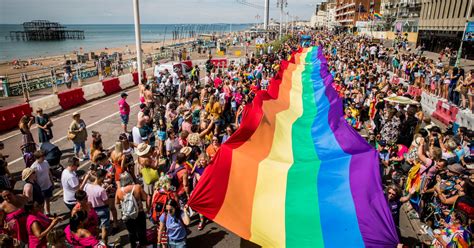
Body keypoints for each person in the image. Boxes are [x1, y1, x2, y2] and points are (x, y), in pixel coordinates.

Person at [115, 172, 147, 248]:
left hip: (127, 214)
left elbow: (117, 202)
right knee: (142, 232)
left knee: (131, 232)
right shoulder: (137, 187)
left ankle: (133, 245)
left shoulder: (119, 191)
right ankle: (143, 246)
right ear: (130, 178)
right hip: (139, 213)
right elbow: (145, 198)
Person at [83, 169, 110, 244]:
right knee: (104, 228)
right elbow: (106, 202)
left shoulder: (87, 186)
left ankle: (96, 243)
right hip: (102, 210)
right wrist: (107, 192)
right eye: (104, 177)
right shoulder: (101, 190)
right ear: (101, 177)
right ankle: (105, 244)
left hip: (91, 210)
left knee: (95, 228)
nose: (105, 179)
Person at [136, 143, 160, 210]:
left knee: (148, 195)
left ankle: (148, 209)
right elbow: (155, 167)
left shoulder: (140, 157)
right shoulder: (146, 160)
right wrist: (157, 157)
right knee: (149, 196)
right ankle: (149, 209)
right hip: (150, 178)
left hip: (145, 176)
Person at [30, 150, 54, 215]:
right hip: (41, 188)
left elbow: (49, 173)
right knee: (41, 204)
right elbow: (33, 179)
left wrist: (52, 181)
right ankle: (42, 215)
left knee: (48, 200)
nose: (44, 158)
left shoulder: (45, 162)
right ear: (37, 157)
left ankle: (48, 213)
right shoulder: (33, 167)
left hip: (48, 185)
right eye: (42, 157)